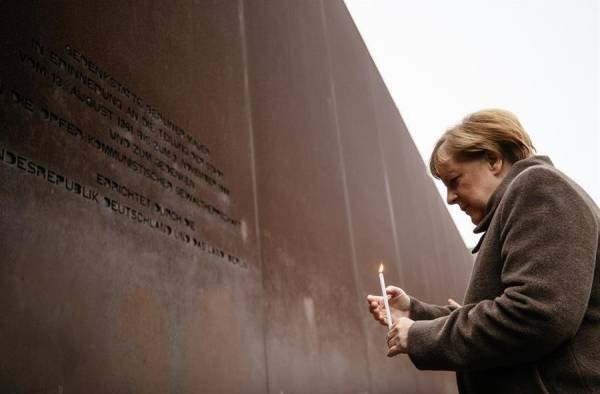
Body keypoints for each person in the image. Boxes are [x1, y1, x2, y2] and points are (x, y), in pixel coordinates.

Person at [367, 109, 600, 393]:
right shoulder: (523, 202)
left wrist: (419, 336)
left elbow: (536, 314)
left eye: (454, 180)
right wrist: (415, 313)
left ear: (493, 160)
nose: (450, 198)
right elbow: (511, 311)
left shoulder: (538, 187)